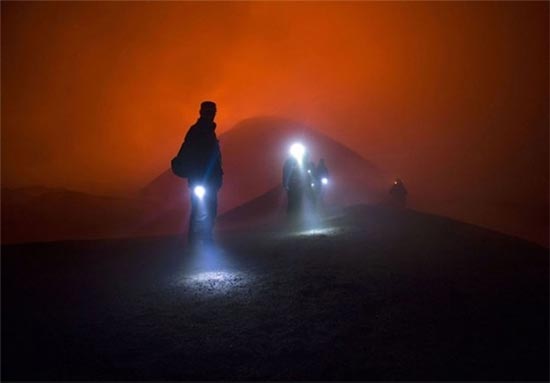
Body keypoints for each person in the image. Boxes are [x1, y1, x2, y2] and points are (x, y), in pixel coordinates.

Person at [176, 101, 223, 245]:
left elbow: (214, 157)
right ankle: (196, 241)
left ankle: (203, 238)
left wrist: (218, 174)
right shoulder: (196, 131)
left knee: (209, 209)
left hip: (208, 179)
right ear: (201, 112)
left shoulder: (208, 132)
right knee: (199, 209)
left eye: (213, 111)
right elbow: (189, 153)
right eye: (209, 111)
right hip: (200, 179)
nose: (211, 114)